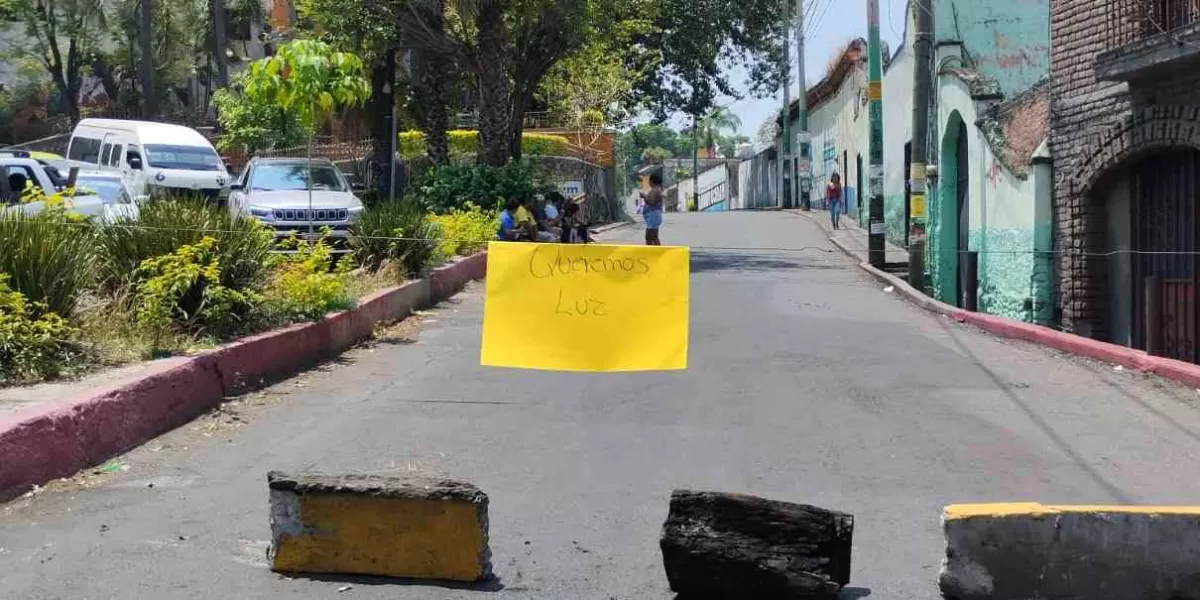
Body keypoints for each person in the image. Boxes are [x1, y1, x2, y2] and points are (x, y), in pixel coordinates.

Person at [639, 172, 664, 245]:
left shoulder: (655, 190)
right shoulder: (657, 189)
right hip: (652, 216)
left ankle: (655, 251)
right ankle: (650, 251)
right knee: (650, 236)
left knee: (652, 236)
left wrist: (644, 196)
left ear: (651, 181)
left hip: (653, 215)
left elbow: (651, 202)